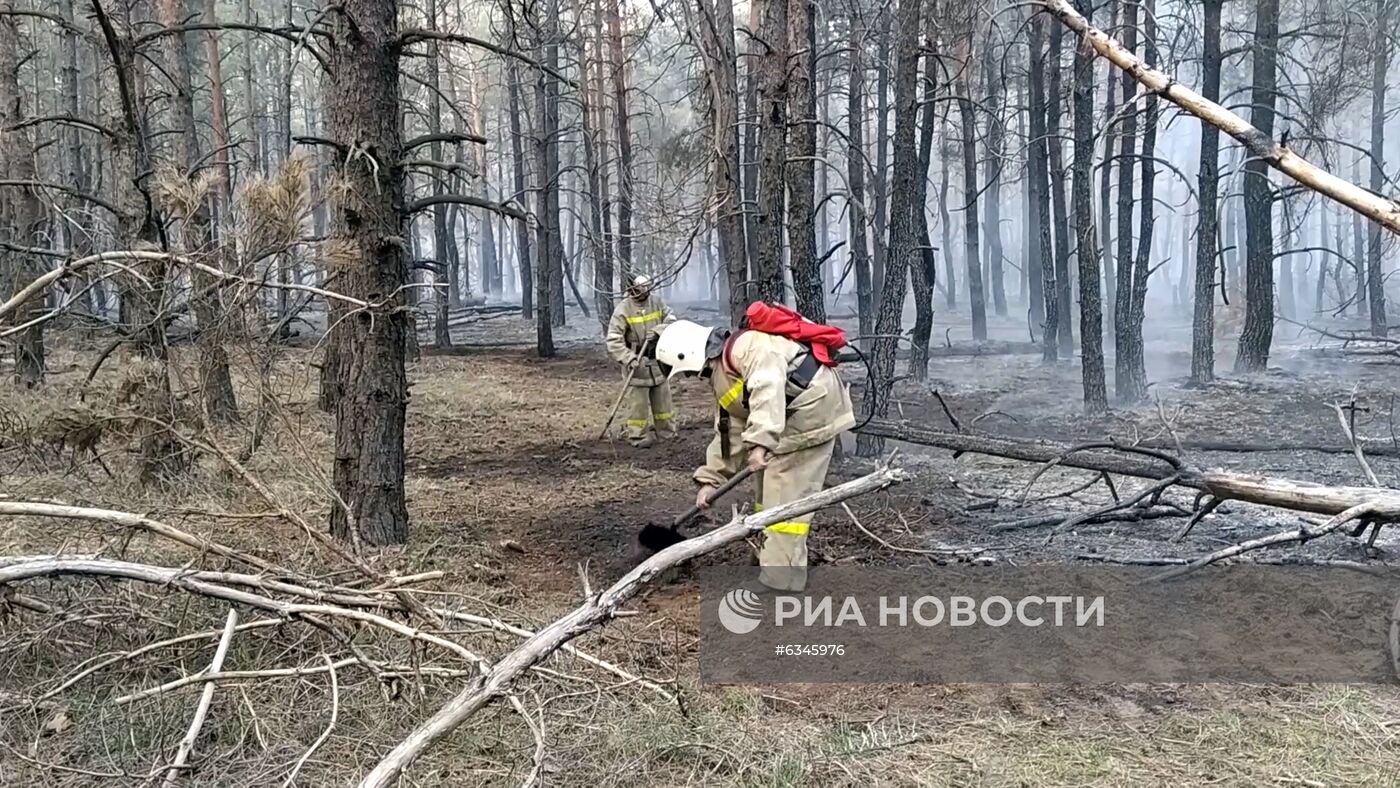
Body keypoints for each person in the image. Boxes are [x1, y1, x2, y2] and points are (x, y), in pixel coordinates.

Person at [654, 318, 855, 591]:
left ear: (687, 355)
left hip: (811, 414)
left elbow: (768, 391)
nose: (693, 377)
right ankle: (766, 557)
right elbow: (730, 428)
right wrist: (710, 480)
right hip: (787, 418)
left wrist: (760, 443)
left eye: (689, 372)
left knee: (784, 501)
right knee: (765, 496)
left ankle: (781, 581)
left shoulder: (747, 349)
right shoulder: (723, 370)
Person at [604, 274, 677, 447]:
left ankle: (667, 434)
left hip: (659, 364)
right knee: (638, 408)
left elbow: (672, 320)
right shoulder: (623, 309)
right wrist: (628, 358)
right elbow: (613, 340)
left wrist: (659, 330)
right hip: (637, 367)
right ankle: (638, 437)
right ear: (632, 290)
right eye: (639, 291)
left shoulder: (657, 302)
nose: (644, 294)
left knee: (664, 406)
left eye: (646, 290)